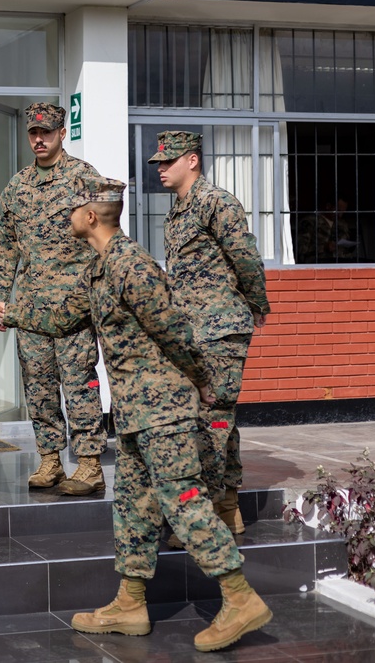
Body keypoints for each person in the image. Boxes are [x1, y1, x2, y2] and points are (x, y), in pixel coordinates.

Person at [0, 175, 272, 653]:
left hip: (161, 411)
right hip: (131, 413)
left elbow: (176, 331)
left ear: (89, 217)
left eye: (71, 211)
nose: (65, 218)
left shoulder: (132, 266)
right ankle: (130, 602)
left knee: (182, 501)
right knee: (132, 508)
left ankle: (239, 597)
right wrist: (5, 312)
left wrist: (204, 383)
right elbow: (62, 317)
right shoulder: (99, 269)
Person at [149, 131, 271, 535]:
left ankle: (207, 511)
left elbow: (245, 258)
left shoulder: (216, 202)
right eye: (159, 163)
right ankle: (228, 505)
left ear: (192, 161)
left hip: (220, 329)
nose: (161, 169)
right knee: (217, 417)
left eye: (168, 161)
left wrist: (257, 305)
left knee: (212, 420)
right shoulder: (177, 212)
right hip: (191, 333)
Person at [0, 102, 107, 496]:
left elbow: (102, 236)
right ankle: (50, 460)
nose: (39, 140)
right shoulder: (17, 186)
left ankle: (89, 464)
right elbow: (7, 248)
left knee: (78, 384)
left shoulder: (84, 178)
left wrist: (101, 293)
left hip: (73, 306)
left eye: (47, 133)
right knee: (38, 385)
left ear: (61, 133)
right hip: (30, 307)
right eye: (33, 134)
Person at [296, 196, 354, 264]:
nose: (340, 215)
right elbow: (301, 249)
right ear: (328, 206)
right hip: (318, 265)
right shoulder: (309, 222)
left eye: (343, 212)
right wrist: (324, 247)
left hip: (342, 265)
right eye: (338, 211)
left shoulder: (342, 225)